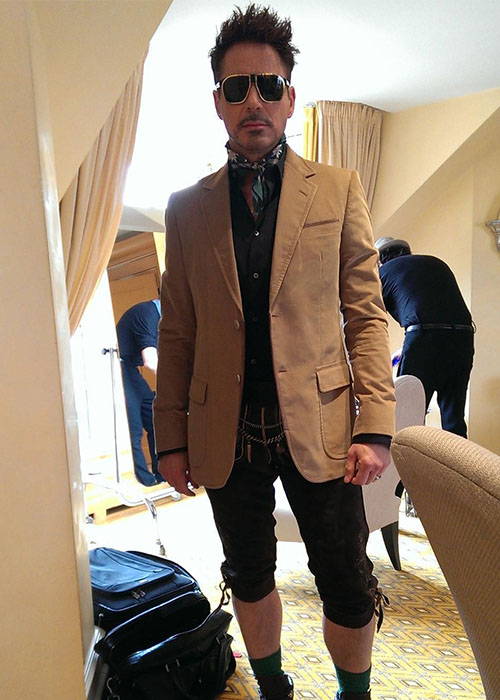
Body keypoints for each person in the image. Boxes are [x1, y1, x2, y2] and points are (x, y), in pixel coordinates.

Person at [154, 6, 395, 699]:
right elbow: (178, 331)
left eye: (268, 85)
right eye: (238, 88)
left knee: (346, 579)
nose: (253, 101)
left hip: (322, 425)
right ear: (219, 103)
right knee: (249, 573)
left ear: (290, 98)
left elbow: (365, 316)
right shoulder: (185, 209)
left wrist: (376, 425)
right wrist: (171, 437)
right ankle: (273, 688)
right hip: (223, 429)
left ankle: (354, 694)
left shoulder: (339, 189)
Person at [375, 236, 474, 437]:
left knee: (408, 416)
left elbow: (368, 320)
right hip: (463, 336)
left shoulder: (383, 273)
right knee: (454, 419)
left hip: (423, 337)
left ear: (379, 260)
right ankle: (457, 458)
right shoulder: (436, 263)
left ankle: (408, 458)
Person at [116, 299, 165, 486]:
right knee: (134, 428)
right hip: (120, 368)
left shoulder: (155, 315)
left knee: (154, 420)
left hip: (129, 369)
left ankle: (161, 474)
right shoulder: (148, 314)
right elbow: (150, 360)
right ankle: (145, 481)